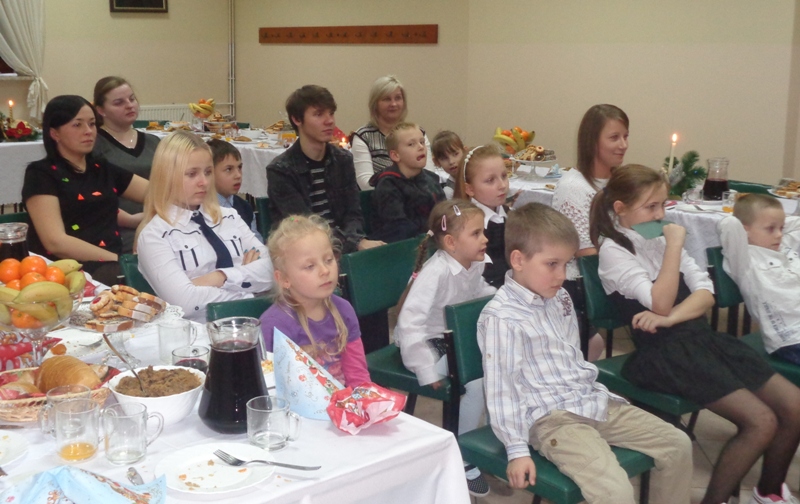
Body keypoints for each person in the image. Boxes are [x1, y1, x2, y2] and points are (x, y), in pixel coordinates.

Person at [591, 164, 800, 504]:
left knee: (794, 405)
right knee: (761, 422)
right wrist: (673, 247)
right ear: (620, 209)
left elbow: (705, 295)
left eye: (662, 205)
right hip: (664, 355)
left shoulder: (658, 236)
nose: (660, 215)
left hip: (700, 339)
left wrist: (670, 318)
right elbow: (660, 301)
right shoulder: (614, 251)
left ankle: (770, 492)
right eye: (651, 207)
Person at [479, 202, 693, 504]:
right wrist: (516, 450)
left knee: (678, 444)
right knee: (615, 492)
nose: (561, 275)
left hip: (589, 399)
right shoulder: (502, 318)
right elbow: (502, 389)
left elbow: (571, 359)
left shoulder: (560, 298)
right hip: (551, 418)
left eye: (566, 264)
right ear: (518, 259)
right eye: (552, 264)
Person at [395, 199, 496, 498]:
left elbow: (477, 291)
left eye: (483, 231)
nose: (485, 239)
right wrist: (425, 369)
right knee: (475, 382)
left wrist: (500, 298)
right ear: (451, 242)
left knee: (497, 364)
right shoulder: (436, 272)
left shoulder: (473, 263)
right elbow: (409, 322)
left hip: (451, 336)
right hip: (424, 343)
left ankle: (492, 437)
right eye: (476, 233)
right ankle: (461, 456)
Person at [136, 131, 273, 322]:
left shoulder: (229, 217)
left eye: (208, 172)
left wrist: (220, 277)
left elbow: (275, 271)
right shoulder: (155, 235)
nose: (204, 182)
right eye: (192, 174)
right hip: (198, 333)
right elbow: (186, 303)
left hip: (252, 325)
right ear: (167, 176)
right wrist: (251, 291)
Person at [22, 95, 148, 286]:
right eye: (77, 125)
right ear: (55, 133)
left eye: (92, 124)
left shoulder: (100, 168)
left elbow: (158, 194)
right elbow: (55, 242)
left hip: (113, 263)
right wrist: (120, 260)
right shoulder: (41, 174)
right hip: (65, 270)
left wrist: (147, 220)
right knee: (145, 278)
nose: (88, 131)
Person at [552, 104, 628, 361]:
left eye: (625, 136)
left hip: (612, 271)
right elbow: (586, 252)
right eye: (614, 137)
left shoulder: (620, 183)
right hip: (581, 283)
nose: (623, 145)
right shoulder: (574, 187)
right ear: (592, 142)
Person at [267, 85, 382, 254]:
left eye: (331, 113)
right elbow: (304, 225)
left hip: (344, 248)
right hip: (304, 251)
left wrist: (355, 241)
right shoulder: (281, 170)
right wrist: (354, 244)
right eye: (319, 114)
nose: (329, 121)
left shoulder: (343, 160)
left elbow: (353, 213)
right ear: (297, 120)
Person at [259, 214, 370, 387]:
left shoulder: (344, 310)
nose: (325, 270)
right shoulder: (274, 326)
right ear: (284, 279)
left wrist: (362, 399)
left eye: (329, 260)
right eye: (310, 266)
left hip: (344, 400)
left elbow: (358, 376)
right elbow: (271, 387)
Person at [718, 194, 800, 364]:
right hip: (791, 338)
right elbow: (729, 225)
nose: (779, 235)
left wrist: (776, 222)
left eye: (781, 228)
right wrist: (750, 220)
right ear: (744, 230)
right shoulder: (744, 260)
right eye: (770, 229)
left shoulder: (785, 246)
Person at [92, 76, 161, 254]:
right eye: (119, 102)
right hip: (117, 230)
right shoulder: (94, 145)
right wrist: (132, 220)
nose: (130, 105)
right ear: (101, 110)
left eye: (132, 99)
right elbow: (93, 198)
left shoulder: (154, 142)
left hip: (159, 224)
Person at [351, 75, 437, 190]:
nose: (394, 104)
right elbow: (366, 183)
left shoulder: (418, 133)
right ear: (375, 104)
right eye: (387, 99)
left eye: (398, 98)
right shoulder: (363, 137)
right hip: (381, 197)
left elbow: (429, 174)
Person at [369, 122, 445, 243]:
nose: (420, 147)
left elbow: (444, 211)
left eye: (422, 142)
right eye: (411, 144)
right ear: (395, 155)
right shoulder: (388, 185)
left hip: (433, 239)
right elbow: (398, 227)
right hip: (402, 245)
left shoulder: (431, 179)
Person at [454, 144, 510, 288]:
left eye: (504, 176)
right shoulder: (465, 227)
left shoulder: (510, 216)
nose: (502, 185)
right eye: (490, 180)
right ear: (469, 189)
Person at [207, 139, 264, 243]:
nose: (238, 175)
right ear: (209, 173)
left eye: (239, 167)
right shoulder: (202, 209)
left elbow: (256, 242)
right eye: (229, 169)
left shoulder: (245, 208)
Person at [430, 131, 466, 199]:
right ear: (437, 162)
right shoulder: (449, 192)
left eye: (455, 154)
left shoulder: (477, 176)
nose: (451, 162)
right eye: (444, 158)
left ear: (465, 151)